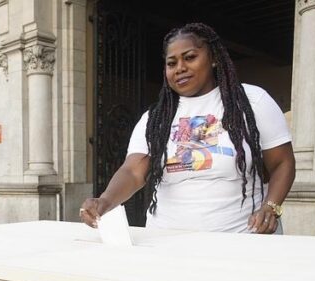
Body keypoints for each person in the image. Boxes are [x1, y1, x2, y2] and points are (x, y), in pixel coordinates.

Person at [79, 23, 295, 234]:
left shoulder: (251, 101)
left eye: (190, 57)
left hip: (240, 240)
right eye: (171, 63)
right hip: (167, 243)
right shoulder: (155, 118)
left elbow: (282, 163)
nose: (180, 68)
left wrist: (271, 207)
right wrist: (105, 200)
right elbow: (133, 171)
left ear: (214, 59)